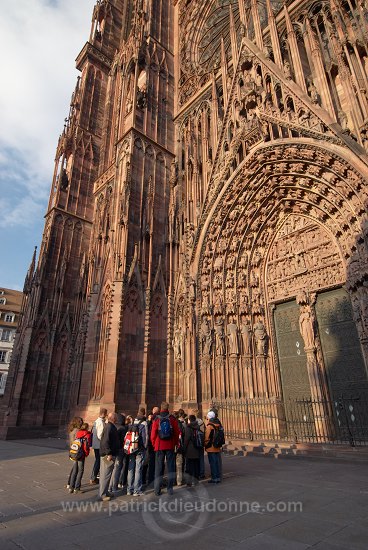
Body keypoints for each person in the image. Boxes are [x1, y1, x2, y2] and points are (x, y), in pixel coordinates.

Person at [151, 401, 180, 496]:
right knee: (171, 467)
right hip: (170, 445)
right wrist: (175, 443)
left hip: (159, 446)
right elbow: (176, 432)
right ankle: (170, 489)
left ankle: (157, 489)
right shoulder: (172, 419)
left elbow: (153, 434)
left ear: (161, 408)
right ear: (168, 408)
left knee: (158, 467)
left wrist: (154, 444)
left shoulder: (156, 419)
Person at [126, 408, 148, 496]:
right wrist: (145, 448)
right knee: (138, 469)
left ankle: (129, 489)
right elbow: (145, 437)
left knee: (130, 469)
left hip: (131, 448)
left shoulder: (133, 422)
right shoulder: (144, 423)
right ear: (144, 413)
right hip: (140, 449)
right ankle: (136, 490)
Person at [99, 412, 120, 501]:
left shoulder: (110, 426)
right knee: (105, 475)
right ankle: (102, 495)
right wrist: (109, 453)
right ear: (113, 418)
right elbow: (105, 442)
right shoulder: (109, 427)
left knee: (107, 475)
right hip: (107, 455)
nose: (117, 419)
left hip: (110, 454)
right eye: (116, 418)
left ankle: (105, 492)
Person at [67, 422, 92, 494]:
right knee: (80, 471)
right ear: (87, 428)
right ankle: (77, 488)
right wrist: (86, 454)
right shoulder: (87, 434)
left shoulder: (78, 433)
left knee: (75, 471)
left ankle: (71, 488)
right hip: (81, 455)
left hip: (75, 453)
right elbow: (86, 446)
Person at [109, 413, 126, 493]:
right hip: (119, 450)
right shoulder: (122, 428)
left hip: (112, 450)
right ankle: (114, 486)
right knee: (117, 468)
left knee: (112, 469)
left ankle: (110, 487)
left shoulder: (113, 426)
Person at [90, 408, 107, 485]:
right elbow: (100, 435)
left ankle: (94, 477)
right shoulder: (100, 422)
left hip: (96, 444)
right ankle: (93, 478)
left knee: (98, 460)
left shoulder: (97, 421)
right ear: (104, 414)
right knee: (98, 461)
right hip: (99, 445)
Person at [183, 414, 201, 486]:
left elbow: (187, 439)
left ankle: (189, 482)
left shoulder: (188, 427)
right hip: (197, 448)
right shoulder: (198, 426)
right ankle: (196, 480)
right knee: (196, 465)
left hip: (190, 449)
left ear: (189, 420)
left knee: (189, 466)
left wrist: (184, 448)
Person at [205, 411, 222, 484]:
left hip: (211, 447)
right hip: (217, 446)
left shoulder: (210, 426)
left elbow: (207, 437)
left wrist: (205, 444)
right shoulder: (218, 424)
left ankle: (214, 478)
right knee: (216, 462)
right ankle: (218, 477)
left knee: (212, 463)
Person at [66, 417, 83, 489]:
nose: (82, 422)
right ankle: (73, 486)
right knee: (77, 469)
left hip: (72, 451)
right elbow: (79, 442)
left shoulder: (71, 430)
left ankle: (69, 483)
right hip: (77, 452)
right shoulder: (77, 431)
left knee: (74, 468)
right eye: (81, 421)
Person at [193, 409, 206, 479]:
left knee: (195, 459)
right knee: (201, 458)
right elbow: (204, 431)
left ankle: (197, 473)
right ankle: (202, 473)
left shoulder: (193, 422)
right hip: (201, 442)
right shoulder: (201, 422)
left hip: (195, 442)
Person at [175, 410, 186, 486]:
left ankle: (175, 480)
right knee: (180, 463)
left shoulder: (174, 424)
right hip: (181, 446)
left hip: (175, 446)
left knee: (176, 463)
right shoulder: (184, 424)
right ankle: (179, 480)